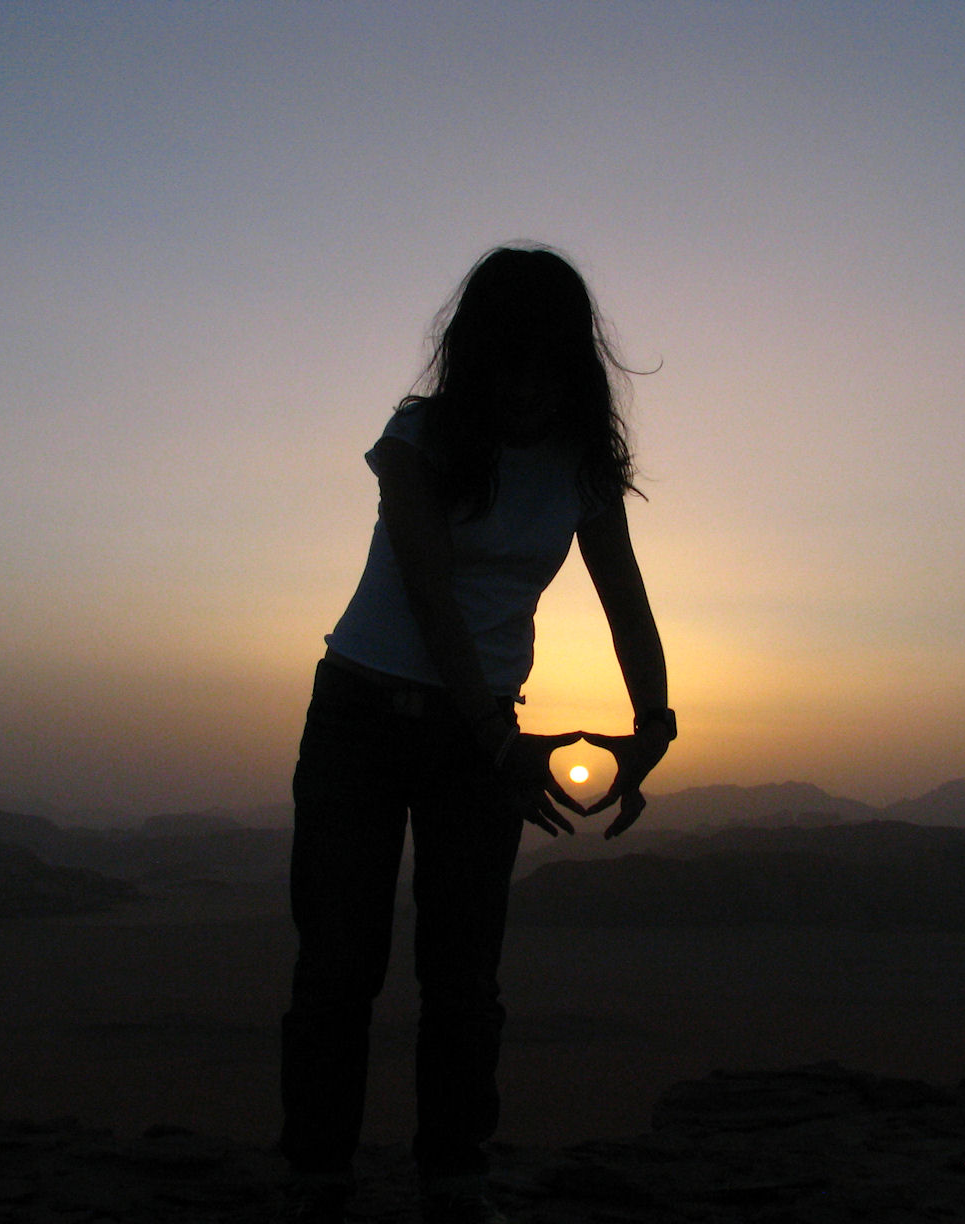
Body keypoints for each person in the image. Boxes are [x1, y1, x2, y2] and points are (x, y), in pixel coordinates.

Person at [278, 245, 674, 1224]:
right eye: (513, 363)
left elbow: (624, 597)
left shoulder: (578, 469)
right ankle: (315, 1182)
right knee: (339, 964)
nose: (531, 388)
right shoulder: (418, 439)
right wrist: (501, 741)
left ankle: (454, 1183)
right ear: (479, 359)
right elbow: (431, 595)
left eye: (548, 365)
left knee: (462, 977)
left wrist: (653, 726)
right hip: (364, 717)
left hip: (480, 740)